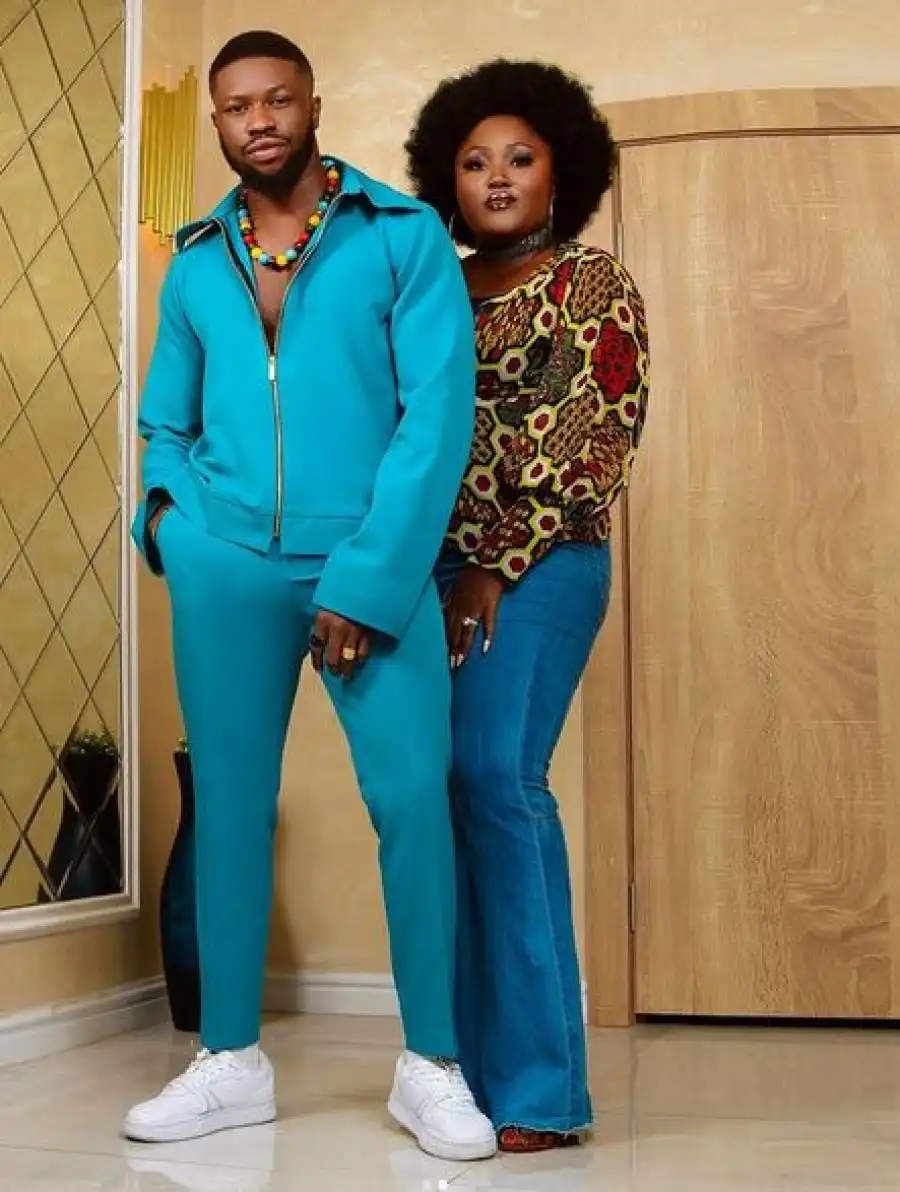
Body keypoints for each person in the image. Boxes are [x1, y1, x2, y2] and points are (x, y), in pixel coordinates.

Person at [123, 30, 497, 1162]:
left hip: (369, 566)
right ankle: (228, 1059)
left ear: (313, 104)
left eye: (277, 99)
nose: (259, 121)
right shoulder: (197, 263)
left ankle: (431, 1066)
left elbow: (436, 420)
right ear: (220, 124)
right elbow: (165, 425)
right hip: (227, 566)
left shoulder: (403, 236)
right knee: (231, 808)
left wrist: (372, 580)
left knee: (413, 799)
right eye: (237, 107)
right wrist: (175, 531)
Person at [405, 59, 649, 1153]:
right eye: (473, 162)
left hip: (542, 561)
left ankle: (544, 1087)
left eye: (519, 157)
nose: (496, 177)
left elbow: (594, 436)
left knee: (500, 779)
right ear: (446, 181)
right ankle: (454, 1071)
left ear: (562, 171)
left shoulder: (589, 283)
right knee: (440, 795)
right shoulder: (431, 289)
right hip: (426, 570)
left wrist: (495, 562)